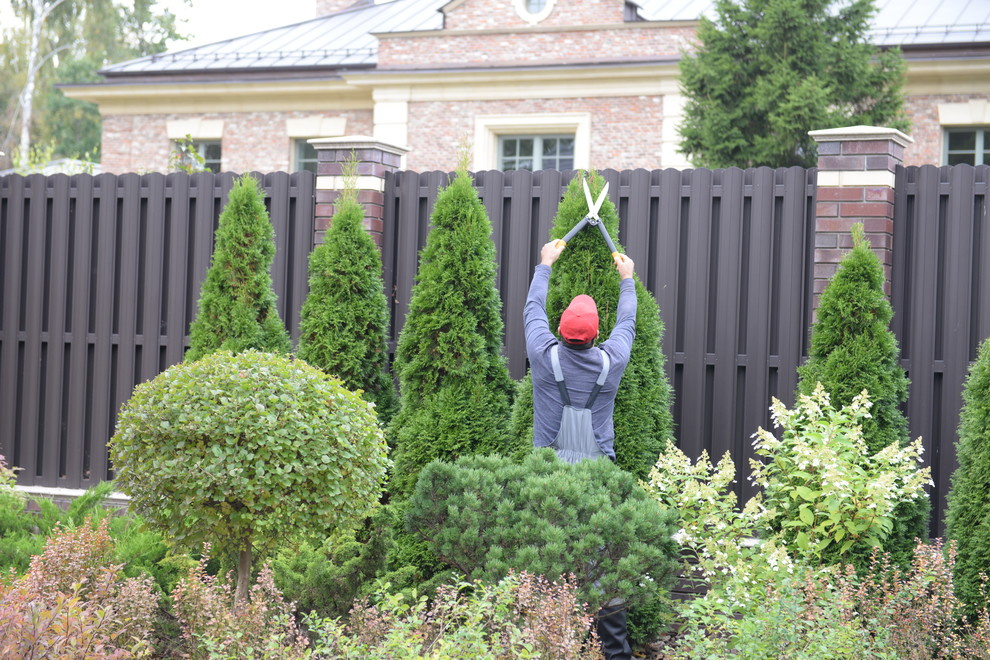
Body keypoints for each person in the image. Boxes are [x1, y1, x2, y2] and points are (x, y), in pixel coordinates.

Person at [523, 239, 637, 660]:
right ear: (595, 334)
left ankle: (545, 644)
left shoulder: (541, 352)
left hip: (547, 476)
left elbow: (532, 310)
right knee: (601, 569)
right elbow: (627, 323)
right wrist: (627, 280)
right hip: (598, 479)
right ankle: (616, 653)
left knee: (545, 563)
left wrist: (546, 264)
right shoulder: (613, 361)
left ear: (560, 331)